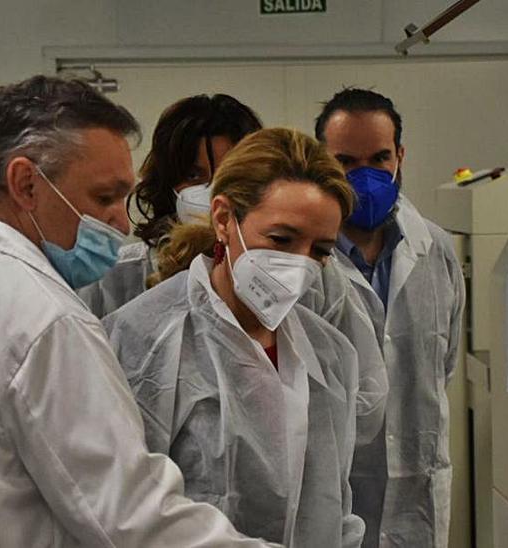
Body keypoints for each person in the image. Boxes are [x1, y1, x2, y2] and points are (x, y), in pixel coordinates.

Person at [0, 76, 272, 547]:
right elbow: (132, 522)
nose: (120, 221)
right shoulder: (40, 318)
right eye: (104, 197)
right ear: (25, 184)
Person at [105, 128, 365, 547]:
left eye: (320, 250)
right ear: (224, 219)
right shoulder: (144, 338)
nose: (298, 265)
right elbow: (123, 506)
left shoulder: (328, 353)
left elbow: (336, 507)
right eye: (281, 239)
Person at [314, 88, 466, 548]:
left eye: (379, 158)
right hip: (332, 491)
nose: (365, 177)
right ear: (321, 162)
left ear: (400, 156)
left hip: (417, 486)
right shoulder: (303, 258)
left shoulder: (435, 249)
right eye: (345, 161)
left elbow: (445, 362)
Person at [78, 94, 262, 318]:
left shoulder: (281, 274)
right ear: (166, 182)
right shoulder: (115, 278)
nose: (215, 191)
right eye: (193, 175)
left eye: (231, 174)